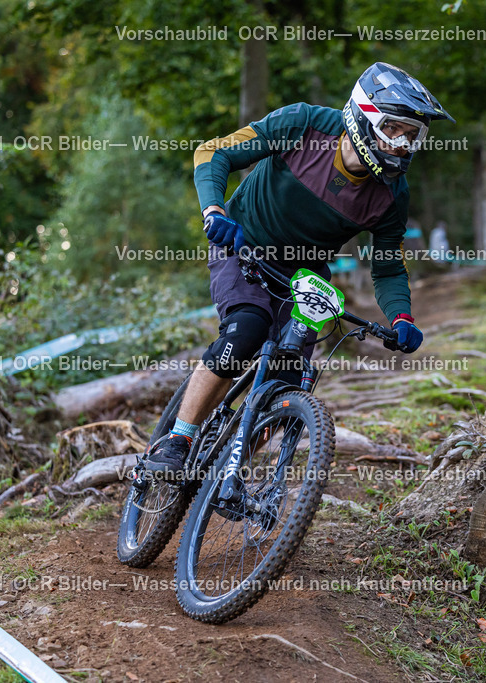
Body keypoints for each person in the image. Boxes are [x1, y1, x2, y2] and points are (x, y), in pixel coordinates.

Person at [145, 62, 454, 474]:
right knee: (247, 329)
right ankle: (177, 440)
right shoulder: (304, 125)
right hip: (242, 244)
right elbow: (213, 152)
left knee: (289, 381)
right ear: (364, 118)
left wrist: (401, 317)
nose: (403, 144)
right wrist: (214, 211)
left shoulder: (392, 195)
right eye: (395, 130)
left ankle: (228, 472)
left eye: (413, 136)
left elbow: (388, 267)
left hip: (305, 276)